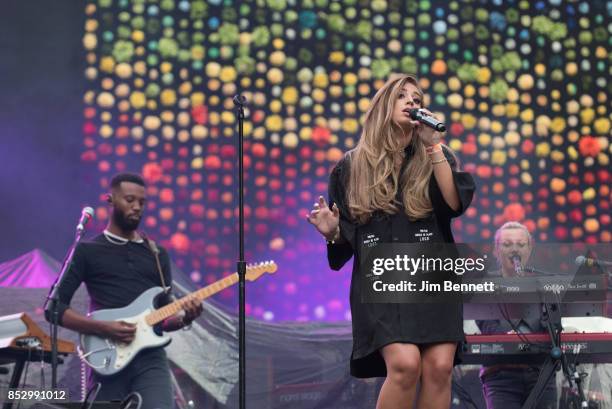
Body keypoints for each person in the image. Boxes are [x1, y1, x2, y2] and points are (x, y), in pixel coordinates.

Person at [307, 73, 475, 409]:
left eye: (417, 98)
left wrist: (433, 147)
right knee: (404, 365)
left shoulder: (436, 155)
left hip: (433, 275)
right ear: (385, 105)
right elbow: (347, 239)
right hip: (383, 279)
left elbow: (454, 204)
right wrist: (332, 234)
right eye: (403, 96)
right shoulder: (351, 166)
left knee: (439, 368)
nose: (413, 103)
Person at [45, 173, 203, 408]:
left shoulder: (157, 254)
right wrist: (103, 327)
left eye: (142, 202)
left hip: (151, 359)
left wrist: (185, 318)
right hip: (107, 355)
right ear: (111, 200)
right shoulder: (87, 250)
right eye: (130, 200)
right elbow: (55, 309)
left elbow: (163, 318)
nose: (137, 207)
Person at [477, 221, 557, 409]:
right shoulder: (484, 282)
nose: (515, 250)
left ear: (529, 249)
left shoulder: (545, 284)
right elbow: (485, 322)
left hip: (540, 373)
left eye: (521, 245)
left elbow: (552, 323)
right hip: (500, 373)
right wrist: (505, 339)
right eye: (507, 244)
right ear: (496, 250)